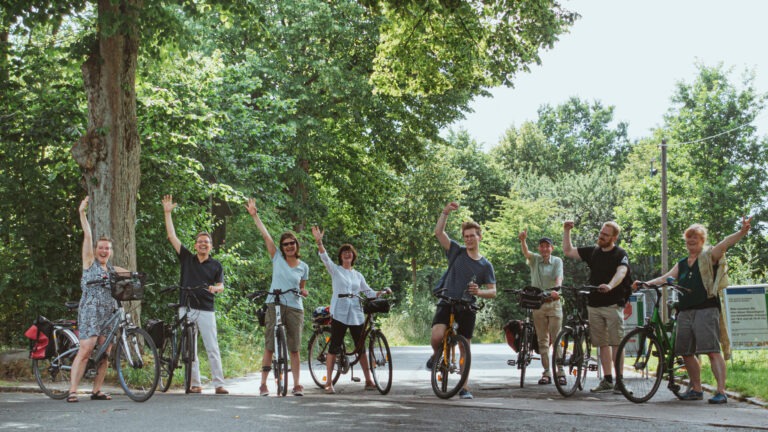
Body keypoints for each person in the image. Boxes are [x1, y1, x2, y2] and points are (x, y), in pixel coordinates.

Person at [635, 217, 751, 404]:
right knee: (685, 351)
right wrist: (645, 284)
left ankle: (721, 391)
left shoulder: (708, 256)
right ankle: (696, 389)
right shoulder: (682, 263)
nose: (690, 244)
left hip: (706, 308)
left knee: (712, 351)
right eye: (688, 241)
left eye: (694, 241)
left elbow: (724, 244)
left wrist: (742, 232)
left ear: (702, 241)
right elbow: (666, 278)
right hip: (685, 311)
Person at [311, 226, 391, 394]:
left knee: (360, 346)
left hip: (355, 313)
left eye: (350, 252)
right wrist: (319, 242)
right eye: (344, 252)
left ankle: (369, 380)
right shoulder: (336, 270)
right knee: (334, 346)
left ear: (353, 256)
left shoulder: (357, 275)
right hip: (339, 311)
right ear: (340, 256)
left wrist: (381, 292)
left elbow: (368, 292)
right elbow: (324, 258)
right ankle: (328, 383)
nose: (347, 254)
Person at [429, 201, 496, 400]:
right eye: (465, 236)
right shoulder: (456, 251)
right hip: (447, 300)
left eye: (472, 236)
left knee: (464, 346)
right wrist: (445, 213)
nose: (468, 239)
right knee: (437, 336)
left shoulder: (485, 265)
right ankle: (437, 355)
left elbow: (493, 291)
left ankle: (464, 387)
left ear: (479, 237)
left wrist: (479, 292)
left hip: (467, 306)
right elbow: (439, 233)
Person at [162, 194, 228, 395]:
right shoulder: (187, 258)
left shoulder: (216, 264)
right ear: (195, 244)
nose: (203, 244)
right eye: (200, 242)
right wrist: (167, 213)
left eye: (206, 242)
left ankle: (219, 384)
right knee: (190, 348)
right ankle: (195, 383)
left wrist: (216, 289)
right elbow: (172, 237)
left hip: (206, 309)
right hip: (186, 306)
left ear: (211, 246)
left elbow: (221, 285)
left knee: (212, 346)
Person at [67, 196, 129, 402]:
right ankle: (73, 391)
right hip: (90, 311)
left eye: (107, 248)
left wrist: (137, 277)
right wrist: (82, 212)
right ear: (96, 250)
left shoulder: (111, 269)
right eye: (101, 247)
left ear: (111, 252)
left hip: (107, 313)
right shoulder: (89, 262)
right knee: (86, 349)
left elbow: (129, 274)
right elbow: (88, 234)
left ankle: (96, 390)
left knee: (105, 352)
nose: (104, 251)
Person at [246, 198, 309, 397]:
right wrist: (255, 215)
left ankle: (297, 384)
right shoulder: (277, 258)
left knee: (294, 348)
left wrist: (304, 291)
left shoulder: (303, 266)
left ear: (296, 245)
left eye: (292, 243)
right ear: (282, 247)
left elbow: (301, 288)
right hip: (274, 304)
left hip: (295, 307)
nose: (289, 246)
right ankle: (263, 384)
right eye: (285, 244)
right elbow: (266, 236)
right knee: (269, 346)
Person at [562, 220, 631, 393]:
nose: (601, 236)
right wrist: (566, 231)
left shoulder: (620, 253)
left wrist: (610, 285)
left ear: (614, 238)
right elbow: (568, 251)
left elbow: (621, 272)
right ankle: (607, 379)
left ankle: (620, 381)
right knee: (602, 344)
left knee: (617, 343)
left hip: (613, 304)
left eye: (605, 235)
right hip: (594, 304)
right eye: (601, 232)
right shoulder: (593, 252)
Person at [518, 230, 564, 385]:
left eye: (547, 246)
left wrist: (556, 289)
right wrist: (523, 240)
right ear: (539, 248)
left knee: (556, 337)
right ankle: (546, 372)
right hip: (538, 304)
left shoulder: (557, 261)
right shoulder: (535, 260)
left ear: (552, 248)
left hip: (553, 303)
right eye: (542, 246)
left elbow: (559, 278)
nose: (544, 249)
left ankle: (560, 371)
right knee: (542, 340)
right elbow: (526, 253)